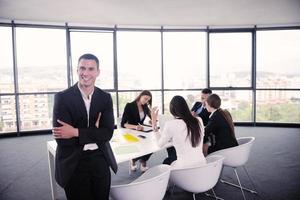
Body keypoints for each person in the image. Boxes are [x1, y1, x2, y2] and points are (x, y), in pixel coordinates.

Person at [52, 54, 114, 200]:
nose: (85, 73)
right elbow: (63, 140)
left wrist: (75, 131)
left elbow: (107, 134)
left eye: (91, 69)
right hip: (74, 161)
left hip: (100, 158)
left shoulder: (105, 98)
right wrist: (94, 131)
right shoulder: (62, 98)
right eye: (82, 68)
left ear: (98, 72)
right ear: (77, 70)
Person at [153, 95, 206, 169]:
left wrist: (154, 125)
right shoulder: (199, 120)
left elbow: (159, 144)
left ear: (172, 110)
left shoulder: (170, 124)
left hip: (183, 170)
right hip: (202, 166)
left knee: (166, 163)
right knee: (171, 155)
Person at [121, 90, 154, 172]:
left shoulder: (145, 106)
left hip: (141, 131)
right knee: (142, 145)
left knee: (152, 145)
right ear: (140, 96)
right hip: (131, 131)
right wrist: (135, 127)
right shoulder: (129, 105)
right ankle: (135, 161)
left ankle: (141, 161)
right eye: (145, 99)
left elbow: (152, 118)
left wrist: (152, 119)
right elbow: (123, 124)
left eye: (148, 100)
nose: (146, 101)